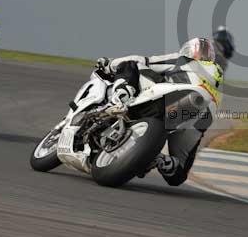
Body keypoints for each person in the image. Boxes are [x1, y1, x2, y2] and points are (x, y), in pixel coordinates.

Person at [96, 27, 235, 186]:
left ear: (189, 50)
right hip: (199, 118)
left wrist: (110, 64)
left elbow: (144, 60)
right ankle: (161, 160)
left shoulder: (185, 59)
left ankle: (120, 98)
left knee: (131, 64)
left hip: (174, 98)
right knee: (178, 175)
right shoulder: (219, 82)